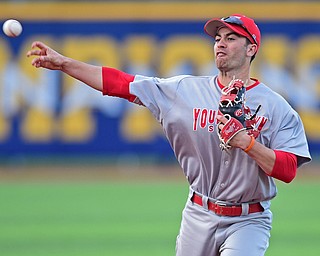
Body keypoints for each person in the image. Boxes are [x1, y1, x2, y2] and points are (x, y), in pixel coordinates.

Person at [27, 14, 311, 256]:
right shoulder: (183, 91)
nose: (220, 43)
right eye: (217, 38)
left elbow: (287, 170)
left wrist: (247, 143)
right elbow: (121, 84)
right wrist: (65, 64)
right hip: (198, 213)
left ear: (251, 48)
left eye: (231, 37)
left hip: (249, 220)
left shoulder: (276, 108)